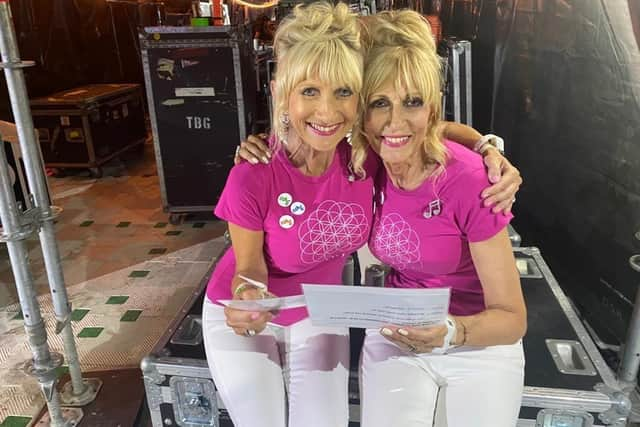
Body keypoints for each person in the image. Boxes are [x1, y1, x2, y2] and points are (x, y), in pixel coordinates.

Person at [352, 10, 527, 427]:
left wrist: (452, 332)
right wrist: (253, 153)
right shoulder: (365, 163)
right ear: (362, 113)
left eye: (412, 101)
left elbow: (512, 317)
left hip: (480, 340)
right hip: (399, 328)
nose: (395, 122)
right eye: (379, 103)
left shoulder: (468, 181)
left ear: (430, 108)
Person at [203, 3, 371, 426]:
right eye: (310, 91)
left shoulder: (366, 161)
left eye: (343, 92)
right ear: (281, 92)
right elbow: (249, 268)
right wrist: (247, 297)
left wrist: (486, 148)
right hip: (242, 317)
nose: (328, 112)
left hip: (320, 313)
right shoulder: (253, 175)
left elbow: (430, 131)